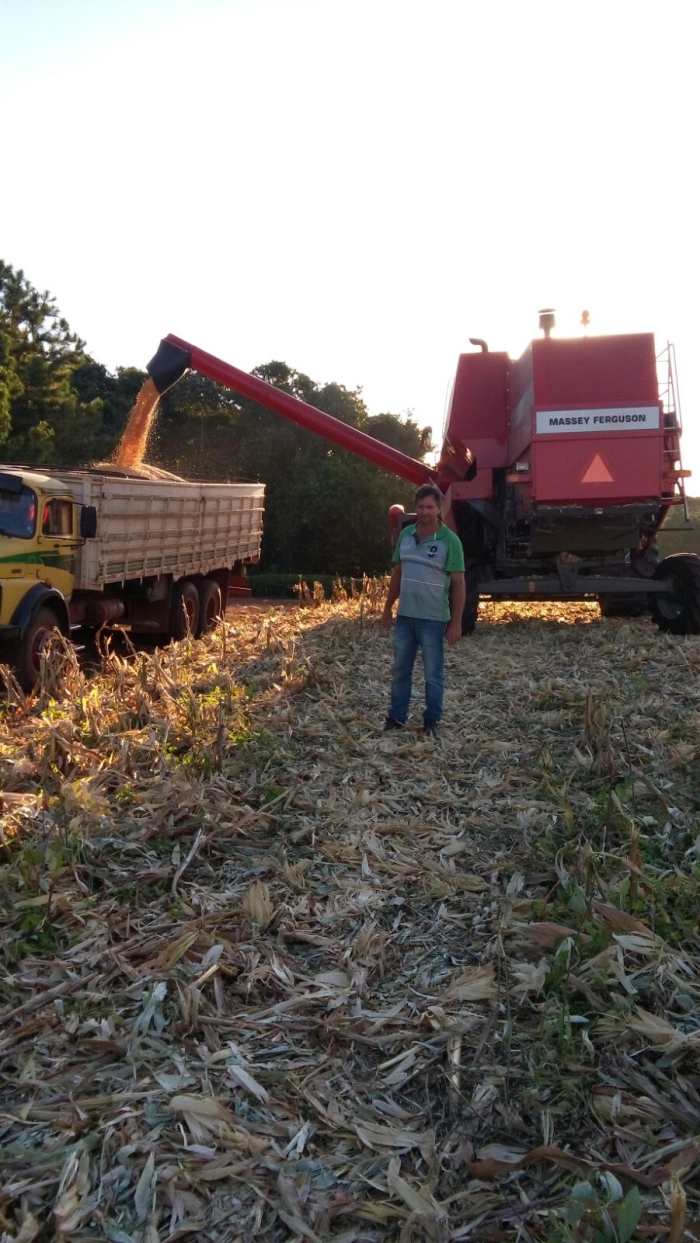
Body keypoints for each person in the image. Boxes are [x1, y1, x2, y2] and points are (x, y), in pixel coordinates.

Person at [381, 484, 466, 737]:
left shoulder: (450, 541)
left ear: (439, 509)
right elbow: (398, 573)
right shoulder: (406, 535)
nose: (425, 511)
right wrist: (387, 608)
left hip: (433, 619)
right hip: (405, 617)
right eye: (420, 507)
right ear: (415, 508)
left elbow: (459, 583)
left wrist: (456, 623)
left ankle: (431, 721)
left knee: (433, 674)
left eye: (430, 507)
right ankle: (396, 718)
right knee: (400, 672)